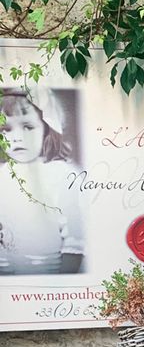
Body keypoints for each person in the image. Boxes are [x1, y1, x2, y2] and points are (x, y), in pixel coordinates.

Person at [0, 87, 85, 275]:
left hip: (51, 277)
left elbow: (75, 243)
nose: (17, 137)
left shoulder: (61, 174)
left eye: (28, 127)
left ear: (46, 129)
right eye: (5, 129)